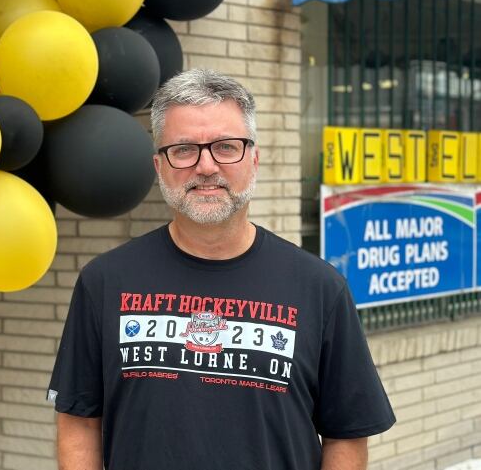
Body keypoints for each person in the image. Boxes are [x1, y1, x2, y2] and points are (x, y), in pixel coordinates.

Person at [47, 69, 395, 470]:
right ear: (159, 166)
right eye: (183, 149)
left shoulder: (319, 288)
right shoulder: (105, 282)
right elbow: (78, 421)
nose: (206, 166)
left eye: (226, 147)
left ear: (254, 159)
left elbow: (347, 436)